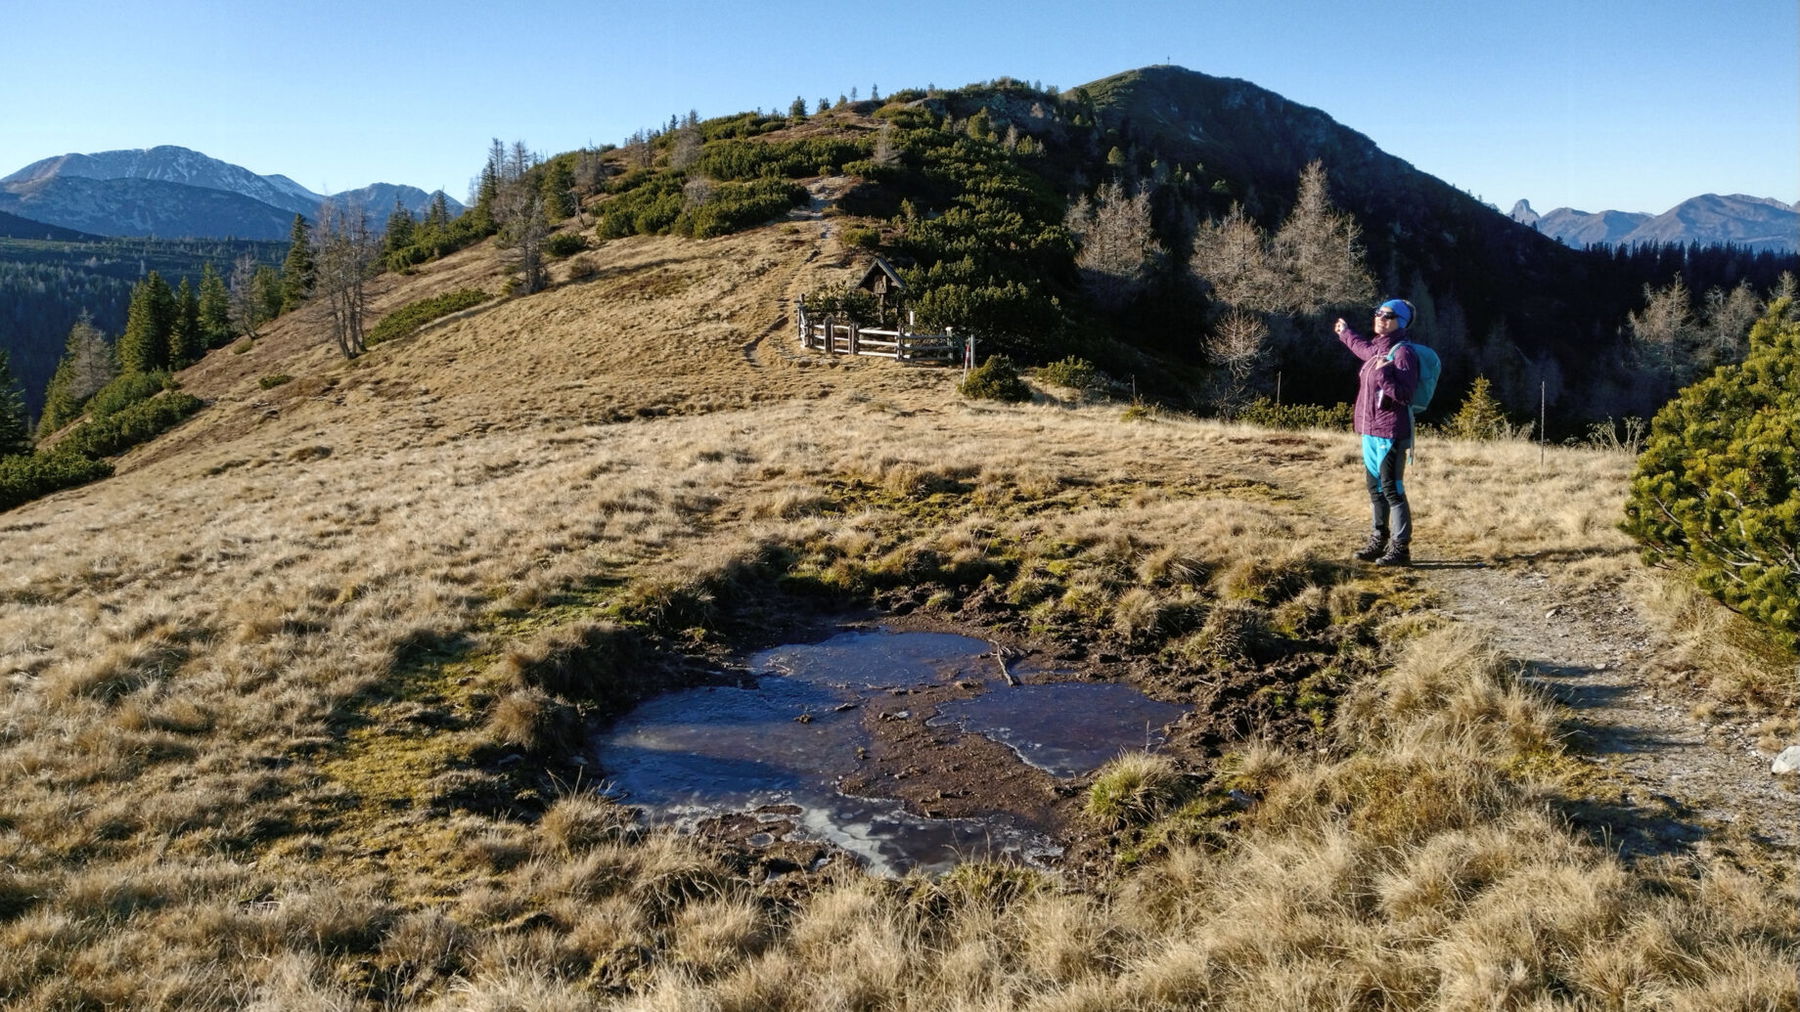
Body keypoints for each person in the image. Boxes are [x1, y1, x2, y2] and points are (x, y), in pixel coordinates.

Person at [1334, 299, 1420, 566]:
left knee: (1392, 489)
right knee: (1375, 489)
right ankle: (1378, 540)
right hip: (1370, 431)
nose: (1381, 318)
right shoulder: (1377, 349)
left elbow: (1405, 395)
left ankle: (1400, 549)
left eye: (1388, 315)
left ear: (1400, 322)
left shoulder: (1403, 353)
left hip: (1390, 432)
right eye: (1378, 313)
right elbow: (1361, 347)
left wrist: (1384, 376)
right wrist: (1345, 333)